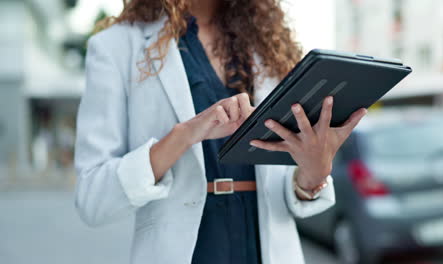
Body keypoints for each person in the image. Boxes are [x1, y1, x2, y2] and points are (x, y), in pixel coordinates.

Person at [74, 0, 367, 263]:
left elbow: (284, 185)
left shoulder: (268, 46)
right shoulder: (115, 46)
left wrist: (313, 174)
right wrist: (182, 136)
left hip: (263, 246)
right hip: (188, 250)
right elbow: (93, 200)